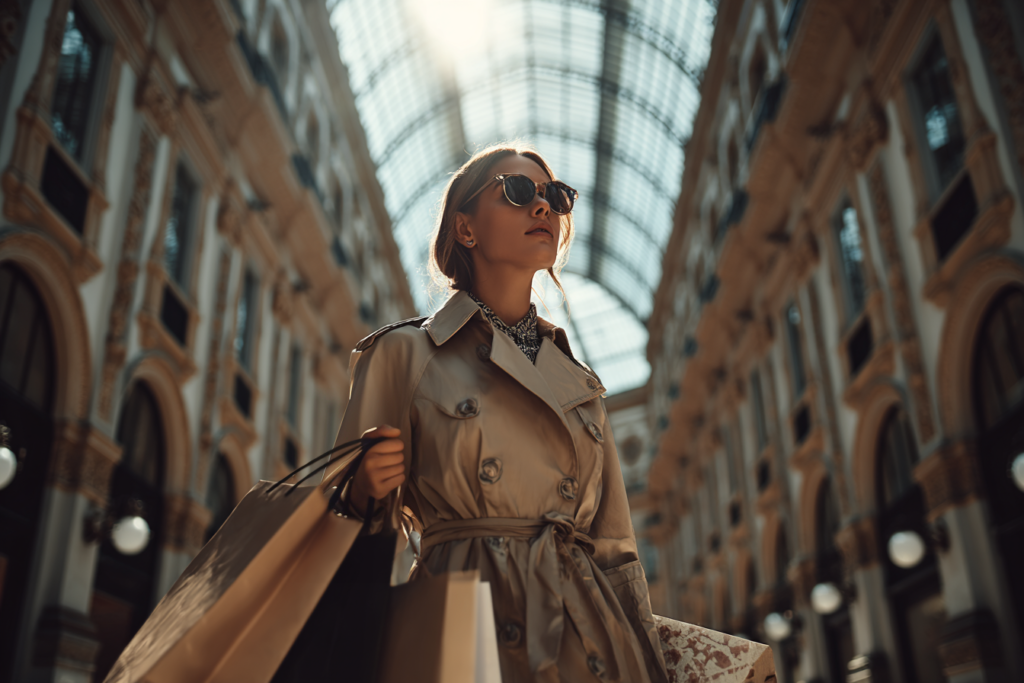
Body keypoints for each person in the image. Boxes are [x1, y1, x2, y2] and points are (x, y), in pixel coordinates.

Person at [329, 144, 668, 683]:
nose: (543, 208)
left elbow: (617, 555)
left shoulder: (581, 384)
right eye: (516, 192)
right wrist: (364, 491)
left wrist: (649, 663)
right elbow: (333, 533)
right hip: (464, 635)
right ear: (466, 229)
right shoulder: (404, 355)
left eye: (555, 197)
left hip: (591, 645)